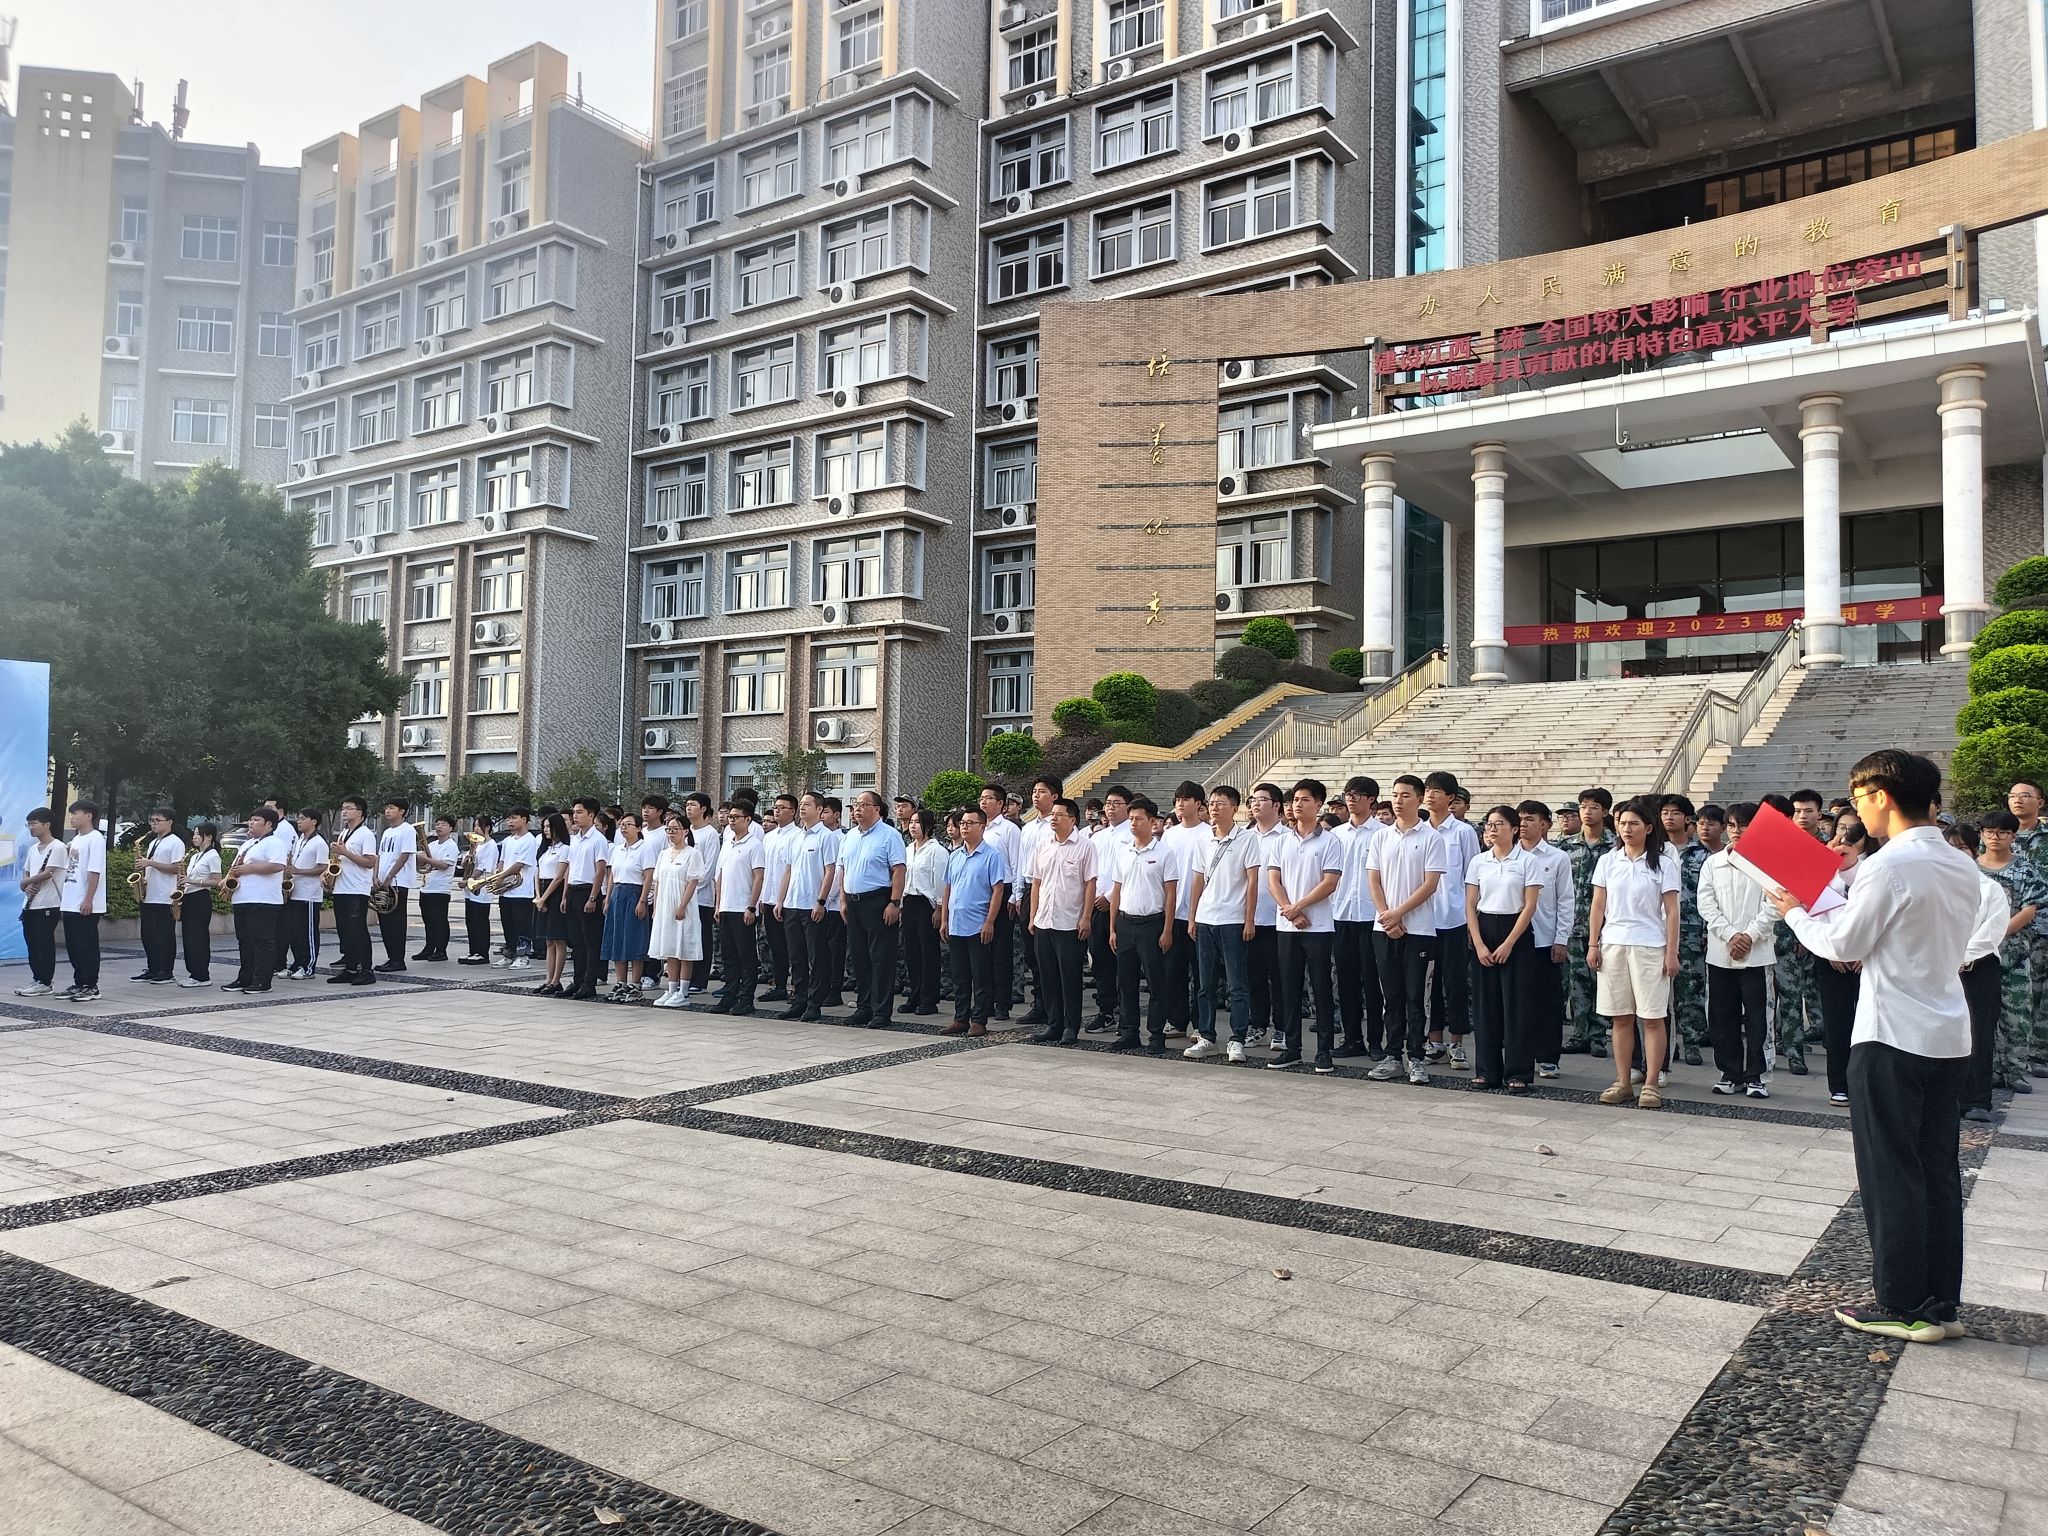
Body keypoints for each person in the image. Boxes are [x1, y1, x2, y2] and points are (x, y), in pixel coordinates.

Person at [1771, 750, 1978, 1344]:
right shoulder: (1960, 863)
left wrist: (1794, 911)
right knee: (1936, 1170)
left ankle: (1900, 1303)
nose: (1857, 811)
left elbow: (1844, 943)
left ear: (1881, 796)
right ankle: (1941, 1303)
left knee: (1891, 1172)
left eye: (1859, 798)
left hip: (1891, 1033)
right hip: (1947, 1032)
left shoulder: (1889, 866)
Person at [1588, 795, 1680, 1110]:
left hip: (1650, 945)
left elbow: (1672, 911)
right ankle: (1623, 1081)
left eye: (1634, 824)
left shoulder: (1663, 863)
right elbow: (1598, 906)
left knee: (1652, 1017)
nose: (1627, 829)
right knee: (1620, 1017)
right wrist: (1593, 943)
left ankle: (1651, 1083)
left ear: (1649, 828)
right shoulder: (1607, 861)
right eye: (1623, 823)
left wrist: (1671, 952)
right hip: (1613, 944)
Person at [1366, 775, 1446, 1086]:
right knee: (1392, 996)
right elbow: (1374, 880)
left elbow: (1430, 884)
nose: (1398, 801)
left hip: (1419, 930)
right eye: (1395, 795)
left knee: (1416, 996)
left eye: (1405, 795)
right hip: (1383, 928)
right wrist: (1387, 917)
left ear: (1420, 799)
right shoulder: (1380, 837)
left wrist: (1399, 913)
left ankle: (1416, 1057)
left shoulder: (1431, 838)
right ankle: (1392, 1056)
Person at [1698, 802, 1778, 1099]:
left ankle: (1756, 1075)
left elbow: (1774, 905)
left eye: (1743, 825)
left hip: (1756, 953)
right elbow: (1706, 904)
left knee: (1758, 1017)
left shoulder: (1768, 861)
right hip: (1721, 951)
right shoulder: (1713, 863)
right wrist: (1731, 935)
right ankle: (1730, 1072)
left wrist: (1749, 936)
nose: (1736, 831)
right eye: (1731, 825)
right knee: (1722, 1016)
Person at [1269, 779, 1344, 1073]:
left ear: (1319, 804)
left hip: (1319, 927)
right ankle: (1292, 1048)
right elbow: (1273, 881)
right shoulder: (1281, 841)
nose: (1298, 805)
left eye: (1305, 800)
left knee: (1321, 987)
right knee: (1289, 988)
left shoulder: (1330, 842)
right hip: (1287, 927)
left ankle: (1324, 1051)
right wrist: (1290, 911)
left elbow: (1330, 882)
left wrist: (1298, 907)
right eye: (1295, 800)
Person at [1465, 805, 1541, 1092]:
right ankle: (1487, 1071)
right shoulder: (1479, 861)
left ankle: (1518, 1072)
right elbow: (1470, 905)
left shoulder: (1527, 861)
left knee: (1517, 1005)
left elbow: (1530, 905)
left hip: (1516, 930)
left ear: (1514, 829)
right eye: (1489, 824)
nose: (1493, 829)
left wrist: (1509, 943)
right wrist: (1478, 943)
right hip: (1485, 928)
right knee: (1485, 1006)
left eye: (1499, 824)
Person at [1185, 785, 1257, 1062]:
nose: (1214, 807)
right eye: (1212, 803)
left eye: (1221, 803)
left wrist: (1249, 919)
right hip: (1206, 919)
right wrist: (1192, 917)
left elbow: (1252, 881)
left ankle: (1237, 1039)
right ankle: (1206, 1036)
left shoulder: (1247, 839)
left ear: (1235, 808)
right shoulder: (1203, 840)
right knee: (1205, 984)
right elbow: (1197, 880)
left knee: (1237, 984)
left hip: (1233, 920)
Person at [1974, 809, 2042, 1095]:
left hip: (2014, 953)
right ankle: (1985, 1070)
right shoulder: (1970, 869)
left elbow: (2030, 908)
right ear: (1981, 835)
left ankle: (2014, 1070)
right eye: (1990, 831)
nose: (1995, 837)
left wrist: (1998, 932)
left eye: (2002, 832)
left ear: (2013, 837)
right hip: (1975, 954)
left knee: (2017, 1014)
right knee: (1979, 1014)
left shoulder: (2025, 869)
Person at [1105, 796, 1175, 1055]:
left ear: (1152, 821)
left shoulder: (1164, 853)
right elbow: (1117, 891)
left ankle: (1156, 1034)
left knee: (1156, 982)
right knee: (1126, 981)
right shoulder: (1123, 851)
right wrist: (1112, 928)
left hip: (1152, 924)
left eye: (1139, 819)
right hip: (1126, 922)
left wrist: (1167, 929)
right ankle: (1129, 1032)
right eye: (1131, 818)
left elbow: (1171, 894)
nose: (1133, 823)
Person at [1949, 821, 2007, 1123]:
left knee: (1979, 1034)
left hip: (1978, 968)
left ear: (1974, 851)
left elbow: (1993, 930)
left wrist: (1962, 956)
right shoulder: (1935, 887)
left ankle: (1976, 1100)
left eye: (1962, 848)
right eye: (1950, 848)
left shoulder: (1990, 889)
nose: (1956, 854)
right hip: (1940, 966)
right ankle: (1947, 1097)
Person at [1812, 816, 1872, 1106]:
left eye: (1853, 829)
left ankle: (1866, 1083)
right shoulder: (1823, 865)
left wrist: (1865, 950)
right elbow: (1813, 906)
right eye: (1841, 828)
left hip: (1868, 958)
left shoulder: (1877, 865)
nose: (1846, 834)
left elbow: (1878, 912)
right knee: (1837, 1023)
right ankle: (1839, 1085)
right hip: (1831, 955)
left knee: (1868, 1023)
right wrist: (1830, 950)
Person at [1027, 797, 1096, 1045]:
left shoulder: (1085, 846)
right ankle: (1053, 1024)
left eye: (1059, 815)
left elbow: (1090, 884)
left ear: (1072, 820)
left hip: (1070, 923)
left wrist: (1086, 917)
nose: (1053, 819)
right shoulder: (1043, 845)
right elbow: (1036, 882)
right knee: (1048, 976)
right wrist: (1033, 915)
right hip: (1044, 920)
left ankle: (1070, 1026)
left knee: (1070, 978)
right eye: (1052, 815)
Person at [1423, 772, 1479, 1066]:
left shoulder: (1462, 832)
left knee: (1455, 983)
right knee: (1428, 985)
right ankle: (1434, 1041)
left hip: (1455, 919)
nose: (1430, 795)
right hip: (1423, 920)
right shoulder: (1419, 831)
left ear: (1451, 798)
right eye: (1427, 790)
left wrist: (1472, 921)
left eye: (1437, 791)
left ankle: (1457, 1042)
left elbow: (1473, 877)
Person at [841, 791, 908, 1029]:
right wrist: (843, 900)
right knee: (859, 957)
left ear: (877, 809)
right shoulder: (849, 836)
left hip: (878, 901)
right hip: (853, 902)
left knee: (880, 958)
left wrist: (894, 903)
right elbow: (843, 869)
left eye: (863, 805)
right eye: (855, 805)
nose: (857, 809)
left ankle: (881, 1011)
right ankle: (864, 1007)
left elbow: (899, 870)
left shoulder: (890, 836)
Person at [938, 805, 1006, 1037]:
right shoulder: (954, 856)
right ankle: (960, 1017)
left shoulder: (992, 856)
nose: (964, 827)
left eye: (970, 823)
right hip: (956, 923)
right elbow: (948, 889)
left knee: (980, 975)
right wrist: (945, 919)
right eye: (962, 823)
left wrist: (990, 921)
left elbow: (997, 890)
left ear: (982, 827)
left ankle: (979, 1019)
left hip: (978, 923)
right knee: (959, 975)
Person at [1516, 801, 1572, 1078]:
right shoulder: (1507, 854)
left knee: (1547, 1001)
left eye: (1530, 819)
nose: (1523, 824)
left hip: (1544, 938)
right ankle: (1519, 1054)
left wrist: (1561, 938)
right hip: (1511, 940)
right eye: (1520, 819)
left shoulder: (1557, 858)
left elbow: (1565, 900)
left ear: (1545, 824)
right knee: (1517, 1000)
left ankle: (1548, 1056)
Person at [1331, 776, 1384, 1059]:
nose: (1351, 799)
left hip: (1372, 917)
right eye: (1348, 794)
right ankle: (1352, 1038)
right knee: (1346, 981)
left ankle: (1376, 1041)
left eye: (1357, 795)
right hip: (1341, 915)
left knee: (1373, 983)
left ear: (1371, 800)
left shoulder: (1382, 834)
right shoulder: (1336, 835)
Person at [1562, 788, 1615, 1056]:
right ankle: (1580, 1033)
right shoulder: (1565, 847)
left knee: (1601, 981)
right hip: (1573, 925)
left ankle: (1598, 1036)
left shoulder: (1616, 847)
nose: (1587, 812)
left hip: (1606, 927)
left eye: (1593, 807)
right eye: (1583, 807)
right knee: (1577, 981)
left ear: (1605, 812)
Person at [777, 792, 838, 1023]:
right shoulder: (795, 837)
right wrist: (780, 900)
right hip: (792, 904)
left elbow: (830, 871)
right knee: (796, 957)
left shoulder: (826, 837)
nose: (802, 808)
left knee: (816, 957)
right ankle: (799, 1000)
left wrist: (821, 901)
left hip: (812, 906)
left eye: (807, 804)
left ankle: (814, 1003)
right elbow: (788, 870)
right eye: (801, 804)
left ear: (820, 809)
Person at [1661, 794, 1710, 1068]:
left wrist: (1706, 931)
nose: (1669, 818)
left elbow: (1710, 896)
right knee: (1661, 992)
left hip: (1692, 930)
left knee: (1692, 990)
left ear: (1688, 818)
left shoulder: (1702, 855)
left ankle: (1692, 1042)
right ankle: (1668, 1046)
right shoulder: (1655, 853)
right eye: (1665, 813)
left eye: (1675, 813)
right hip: (1659, 930)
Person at [1160, 782, 1209, 1038]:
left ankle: (1201, 1024)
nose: (1180, 804)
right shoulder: (1170, 834)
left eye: (1186, 799)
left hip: (1200, 914)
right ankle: (1177, 1020)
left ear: (1198, 804)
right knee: (1173, 971)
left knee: (1201, 973)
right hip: (1173, 913)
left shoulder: (1208, 833)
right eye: (1178, 799)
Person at [222, 809, 289, 994]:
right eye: (250, 820)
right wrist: (227, 878)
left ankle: (262, 981)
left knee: (262, 941)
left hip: (263, 900)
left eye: (256, 820)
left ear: (269, 824)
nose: (250, 823)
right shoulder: (249, 843)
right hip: (243, 898)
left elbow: (278, 865)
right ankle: (245, 978)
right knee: (245, 941)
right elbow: (237, 867)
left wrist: (249, 869)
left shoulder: (275, 842)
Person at [1086, 786, 1134, 1033]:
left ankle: (1126, 1015)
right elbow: (1091, 872)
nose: (1111, 808)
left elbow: (1128, 874)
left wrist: (1109, 897)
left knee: (1123, 963)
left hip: (1121, 905)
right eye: (1108, 803)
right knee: (1100, 961)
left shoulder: (1132, 835)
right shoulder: (1098, 837)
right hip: (1096, 906)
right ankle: (1105, 1011)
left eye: (1117, 803)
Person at [647, 810, 707, 1008]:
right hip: (665, 907)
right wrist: (656, 908)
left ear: (685, 831)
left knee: (684, 949)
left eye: (675, 829)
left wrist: (682, 906)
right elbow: (657, 882)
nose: (671, 833)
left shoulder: (693, 854)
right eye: (669, 829)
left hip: (683, 907)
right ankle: (671, 989)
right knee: (670, 948)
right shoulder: (663, 854)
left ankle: (683, 991)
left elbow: (692, 882)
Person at [1244, 783, 1289, 1048]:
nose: (1256, 804)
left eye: (1262, 799)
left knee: (1280, 977)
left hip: (1278, 918)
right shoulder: (1244, 837)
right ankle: (1257, 1024)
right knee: (1254, 976)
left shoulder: (1286, 837)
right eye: (1253, 799)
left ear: (1277, 805)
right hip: (1250, 917)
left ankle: (1282, 1027)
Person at [713, 800, 766, 1015]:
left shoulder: (755, 845)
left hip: (743, 908)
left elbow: (758, 877)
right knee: (729, 955)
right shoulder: (727, 843)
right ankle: (730, 994)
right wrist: (718, 905)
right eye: (730, 817)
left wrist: (751, 907)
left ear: (748, 819)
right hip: (726, 906)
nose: (731, 821)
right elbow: (720, 875)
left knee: (746, 956)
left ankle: (746, 998)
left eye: (736, 817)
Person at [978, 783, 1023, 1021]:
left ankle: (1002, 1002)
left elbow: (1017, 863)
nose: (983, 802)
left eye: (988, 798)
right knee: (981, 949)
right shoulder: (978, 827)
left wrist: (1016, 895)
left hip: (1004, 890)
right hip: (980, 892)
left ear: (1001, 804)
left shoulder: (1009, 830)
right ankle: (984, 1001)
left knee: (1001, 949)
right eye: (981, 798)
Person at [56, 801, 107, 1002]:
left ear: (88, 816)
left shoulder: (96, 839)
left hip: (85, 902)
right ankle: (79, 982)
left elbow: (94, 871)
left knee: (86, 945)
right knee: (74, 945)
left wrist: (88, 899)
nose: (72, 818)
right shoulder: (77, 839)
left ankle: (91, 985)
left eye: (76, 814)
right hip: (70, 900)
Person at [14, 808, 66, 996]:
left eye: (34, 823)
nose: (31, 827)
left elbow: (47, 873)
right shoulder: (33, 849)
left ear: (47, 824)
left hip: (48, 904)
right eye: (29, 824)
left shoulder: (58, 847)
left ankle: (45, 981)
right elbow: (27, 871)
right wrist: (26, 885)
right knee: (32, 943)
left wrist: (24, 883)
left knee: (44, 944)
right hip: (30, 903)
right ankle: (37, 979)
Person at [327, 796, 379, 986]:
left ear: (360, 812)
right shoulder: (344, 833)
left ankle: (366, 970)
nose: (344, 811)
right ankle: (350, 969)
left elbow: (370, 862)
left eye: (349, 808)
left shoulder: (365, 834)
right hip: (341, 888)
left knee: (358, 930)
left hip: (357, 889)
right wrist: (328, 876)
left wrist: (345, 852)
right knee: (345, 931)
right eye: (343, 808)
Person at [562, 798, 611, 1001]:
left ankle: (589, 982)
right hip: (573, 890)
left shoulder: (598, 839)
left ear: (591, 815)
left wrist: (593, 897)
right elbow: (570, 868)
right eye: (574, 812)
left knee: (590, 940)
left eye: (580, 812)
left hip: (588, 890)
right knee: (576, 940)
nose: (575, 816)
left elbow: (600, 870)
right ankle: (578, 979)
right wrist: (565, 895)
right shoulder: (575, 839)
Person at [132, 810, 185, 984]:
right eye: (151, 820)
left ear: (169, 822)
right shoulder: (154, 841)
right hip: (149, 895)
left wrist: (150, 863)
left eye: (157, 820)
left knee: (164, 935)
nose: (153, 823)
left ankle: (166, 971)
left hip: (165, 896)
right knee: (148, 935)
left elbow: (177, 868)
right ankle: (153, 968)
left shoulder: (175, 842)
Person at [902, 809, 947, 1016]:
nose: (913, 826)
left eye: (917, 822)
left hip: (927, 904)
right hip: (909, 902)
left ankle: (929, 998)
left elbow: (940, 881)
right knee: (912, 952)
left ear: (928, 826)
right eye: (911, 822)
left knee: (928, 952)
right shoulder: (908, 849)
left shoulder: (936, 851)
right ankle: (915, 994)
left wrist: (939, 908)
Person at [759, 794, 799, 1005]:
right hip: (769, 898)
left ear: (793, 811)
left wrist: (782, 899)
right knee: (775, 945)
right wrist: (761, 897)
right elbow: (765, 870)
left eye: (782, 807)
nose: (777, 810)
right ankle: (779, 984)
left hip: (789, 899)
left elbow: (792, 870)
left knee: (793, 946)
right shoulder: (769, 837)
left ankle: (797, 987)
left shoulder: (797, 835)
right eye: (776, 807)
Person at [373, 799, 418, 972]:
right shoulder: (387, 832)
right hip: (382, 883)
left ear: (402, 811)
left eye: (392, 808)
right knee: (385, 922)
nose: (387, 811)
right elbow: (379, 855)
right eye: (386, 808)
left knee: (396, 922)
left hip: (398, 883)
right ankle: (391, 957)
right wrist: (375, 876)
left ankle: (398, 959)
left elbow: (404, 855)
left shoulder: (407, 830)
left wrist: (390, 876)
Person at [684, 793, 721, 1002]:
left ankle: (699, 979)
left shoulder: (710, 834)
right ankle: (685, 977)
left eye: (693, 805)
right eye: (687, 804)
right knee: (686, 937)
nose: (689, 808)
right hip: (683, 896)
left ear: (704, 808)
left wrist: (692, 889)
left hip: (701, 897)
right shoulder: (685, 832)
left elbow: (708, 869)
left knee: (702, 937)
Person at [531, 812, 572, 997]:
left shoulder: (565, 849)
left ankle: (556, 980)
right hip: (542, 889)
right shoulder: (545, 848)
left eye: (549, 826)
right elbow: (537, 872)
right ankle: (548, 979)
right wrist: (539, 896)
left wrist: (545, 898)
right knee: (548, 940)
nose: (546, 830)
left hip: (554, 892)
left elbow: (559, 877)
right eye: (544, 827)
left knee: (558, 939)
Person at [284, 809, 328, 979]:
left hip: (309, 895)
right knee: (294, 933)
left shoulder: (319, 843)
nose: (299, 821)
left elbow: (322, 867)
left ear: (314, 821)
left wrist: (298, 871)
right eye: (298, 818)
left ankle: (309, 967)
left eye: (303, 818)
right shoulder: (300, 840)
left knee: (308, 933)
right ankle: (298, 963)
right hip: (295, 892)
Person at [179, 824, 223, 987]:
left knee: (198, 938)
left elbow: (217, 881)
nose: (195, 837)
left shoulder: (213, 856)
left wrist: (194, 881)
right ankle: (193, 973)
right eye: (194, 834)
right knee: (188, 938)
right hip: (189, 897)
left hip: (200, 898)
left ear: (209, 837)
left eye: (198, 834)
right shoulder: (195, 856)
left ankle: (202, 975)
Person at [495, 809, 538, 970]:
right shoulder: (508, 841)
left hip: (522, 891)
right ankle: (509, 953)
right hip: (507, 890)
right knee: (508, 924)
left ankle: (523, 956)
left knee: (522, 925)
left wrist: (502, 877)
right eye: (508, 819)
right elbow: (502, 861)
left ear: (524, 819)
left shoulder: (530, 840)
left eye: (514, 818)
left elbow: (520, 863)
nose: (510, 822)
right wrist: (498, 874)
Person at [414, 815, 458, 964]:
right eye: (437, 824)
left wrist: (425, 859)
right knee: (428, 920)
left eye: (443, 824)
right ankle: (429, 948)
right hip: (426, 887)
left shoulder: (451, 846)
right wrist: (419, 858)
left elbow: (444, 865)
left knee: (439, 921)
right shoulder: (431, 845)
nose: (439, 827)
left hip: (440, 889)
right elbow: (423, 866)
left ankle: (441, 950)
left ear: (450, 828)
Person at [459, 814, 499, 966]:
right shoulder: (476, 845)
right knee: (471, 920)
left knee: (480, 920)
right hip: (470, 888)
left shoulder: (491, 845)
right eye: (474, 825)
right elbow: (465, 865)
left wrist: (468, 880)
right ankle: (473, 950)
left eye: (479, 825)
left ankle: (482, 952)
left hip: (481, 886)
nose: (476, 829)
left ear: (487, 827)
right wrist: (468, 856)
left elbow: (483, 868)